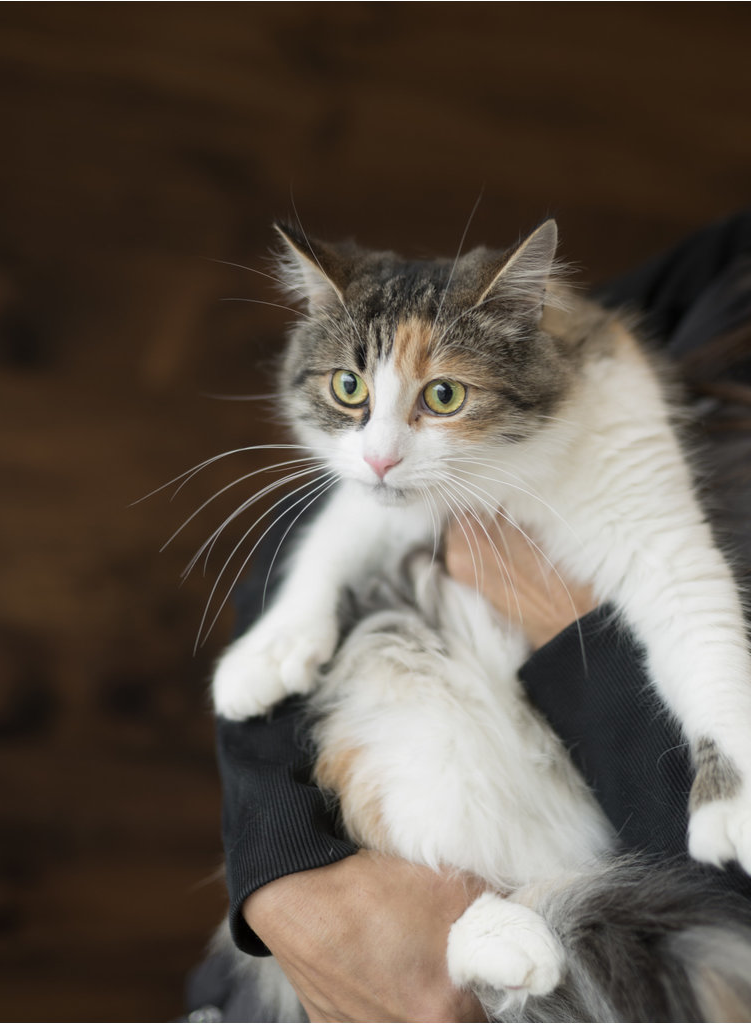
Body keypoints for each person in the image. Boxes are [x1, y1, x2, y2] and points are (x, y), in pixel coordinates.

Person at [185, 211, 751, 1023]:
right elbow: (337, 504)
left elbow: (676, 587)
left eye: (439, 396)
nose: (378, 450)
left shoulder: (595, 401)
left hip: (618, 858)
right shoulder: (721, 266)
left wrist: (570, 626)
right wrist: (285, 863)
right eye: (349, 390)